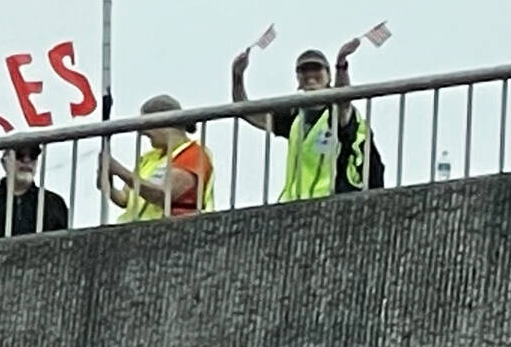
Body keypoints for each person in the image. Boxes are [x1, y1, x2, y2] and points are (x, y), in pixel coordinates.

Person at [231, 40, 385, 201]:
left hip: (334, 201)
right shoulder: (294, 118)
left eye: (316, 68)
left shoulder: (338, 113)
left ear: (328, 76)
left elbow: (343, 101)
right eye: (304, 70)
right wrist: (237, 77)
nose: (310, 74)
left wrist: (341, 66)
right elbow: (246, 112)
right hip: (295, 205)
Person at [102, 94, 215, 221]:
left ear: (164, 122)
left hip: (175, 232)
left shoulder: (193, 153)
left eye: (146, 125)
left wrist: (119, 171)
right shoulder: (148, 158)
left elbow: (164, 195)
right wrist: (107, 183)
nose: (142, 132)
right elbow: (125, 199)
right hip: (137, 233)